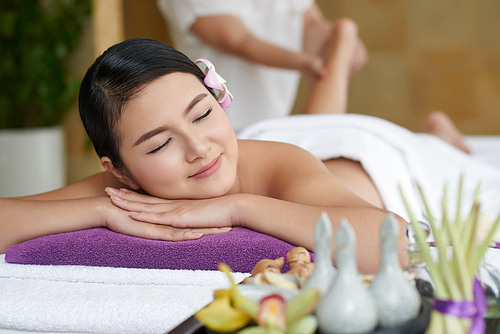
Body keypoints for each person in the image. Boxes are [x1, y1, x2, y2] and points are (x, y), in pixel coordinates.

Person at [0, 38, 475, 275]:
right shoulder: (125, 190)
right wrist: (100, 210)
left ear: (217, 98)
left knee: (455, 161)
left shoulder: (280, 165)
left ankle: (443, 141)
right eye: (161, 144)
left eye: (202, 114)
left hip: (379, 157)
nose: (198, 147)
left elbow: (396, 243)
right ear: (119, 170)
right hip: (285, 138)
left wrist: (238, 206)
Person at [157, 0, 368, 133]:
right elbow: (239, 41)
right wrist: (306, 63)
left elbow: (312, 26)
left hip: (272, 117)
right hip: (219, 119)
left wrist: (338, 41)